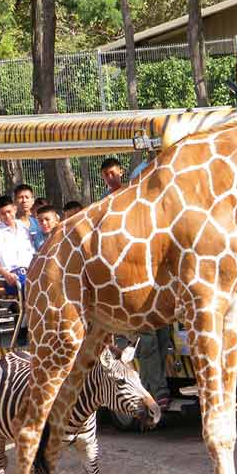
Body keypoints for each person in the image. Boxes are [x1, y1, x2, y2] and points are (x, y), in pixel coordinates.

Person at [100, 158, 170, 406]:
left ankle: (154, 387)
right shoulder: (108, 206)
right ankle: (157, 391)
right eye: (106, 174)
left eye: (113, 172)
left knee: (162, 336)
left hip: (151, 283)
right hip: (128, 284)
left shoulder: (139, 202)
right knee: (147, 339)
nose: (111, 177)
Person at [0, 195, 36, 297]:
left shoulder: (24, 228)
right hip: (13, 276)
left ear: (14, 209)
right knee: (31, 287)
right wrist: (6, 275)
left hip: (31, 271)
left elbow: (32, 252)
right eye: (3, 214)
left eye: (9, 212)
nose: (7, 216)